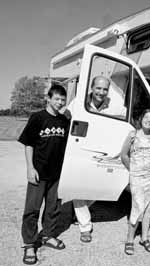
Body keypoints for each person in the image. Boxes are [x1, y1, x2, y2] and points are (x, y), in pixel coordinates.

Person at [19, 85, 70, 265]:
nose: (60, 103)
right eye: (56, 99)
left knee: (52, 208)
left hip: (56, 174)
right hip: (38, 173)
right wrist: (29, 168)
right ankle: (29, 244)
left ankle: (48, 235)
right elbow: (28, 144)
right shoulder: (38, 118)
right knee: (32, 209)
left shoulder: (64, 121)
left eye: (63, 100)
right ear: (48, 98)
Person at [71, 75, 111, 243]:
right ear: (92, 88)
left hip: (101, 153)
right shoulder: (78, 102)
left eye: (104, 89)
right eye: (98, 88)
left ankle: (80, 210)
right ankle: (85, 226)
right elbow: (67, 118)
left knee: (99, 188)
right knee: (79, 189)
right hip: (81, 150)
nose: (101, 92)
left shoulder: (112, 106)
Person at [120, 109, 150, 255]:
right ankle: (130, 240)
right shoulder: (133, 134)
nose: (149, 120)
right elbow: (124, 155)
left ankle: (144, 238)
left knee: (148, 206)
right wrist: (133, 170)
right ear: (141, 118)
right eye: (146, 117)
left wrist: (149, 170)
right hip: (136, 175)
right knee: (136, 205)